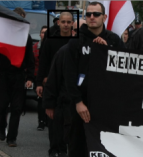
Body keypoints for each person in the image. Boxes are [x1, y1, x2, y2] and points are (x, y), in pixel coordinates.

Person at [63, 2, 125, 156]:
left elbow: (123, 71)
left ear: (104, 17)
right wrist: (78, 102)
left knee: (103, 149)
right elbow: (69, 75)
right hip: (81, 106)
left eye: (96, 14)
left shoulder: (114, 40)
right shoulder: (75, 42)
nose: (92, 17)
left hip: (106, 106)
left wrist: (106, 51)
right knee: (78, 147)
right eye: (88, 14)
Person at [42, 19, 86, 157]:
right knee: (59, 141)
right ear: (73, 32)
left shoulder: (90, 51)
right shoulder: (64, 52)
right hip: (64, 103)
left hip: (82, 105)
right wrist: (49, 104)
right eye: (78, 31)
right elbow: (53, 78)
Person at [0, 7, 35, 147]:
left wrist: (30, 77)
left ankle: (12, 137)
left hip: (19, 76)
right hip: (3, 75)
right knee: (1, 106)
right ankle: (1, 125)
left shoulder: (27, 37)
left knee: (17, 108)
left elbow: (30, 59)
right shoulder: (3, 35)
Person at [36, 12, 73, 157]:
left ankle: (63, 149)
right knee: (53, 119)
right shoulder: (50, 39)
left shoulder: (75, 41)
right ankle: (53, 149)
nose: (65, 25)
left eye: (68, 22)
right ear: (58, 23)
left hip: (68, 85)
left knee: (66, 119)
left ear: (72, 24)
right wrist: (39, 82)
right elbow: (43, 61)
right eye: (62, 22)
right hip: (52, 82)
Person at [33, 25, 47, 130]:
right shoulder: (35, 47)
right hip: (37, 76)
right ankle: (41, 121)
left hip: (49, 77)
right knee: (40, 99)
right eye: (43, 32)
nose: (44, 35)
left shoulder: (50, 46)